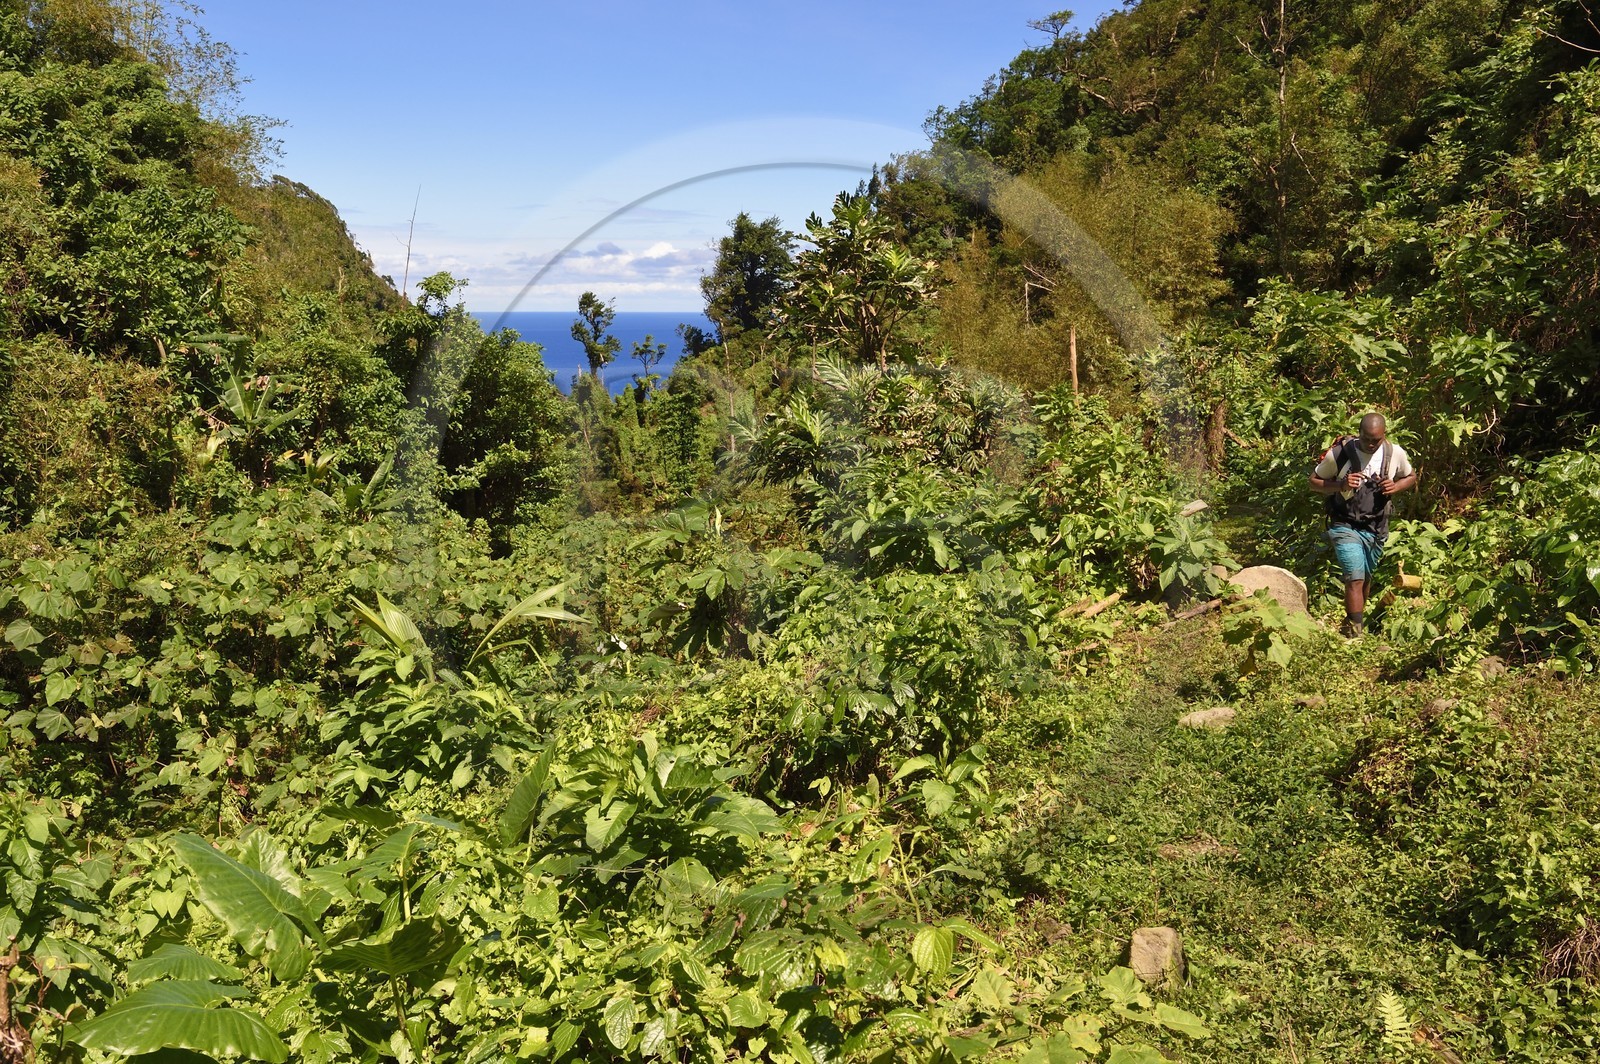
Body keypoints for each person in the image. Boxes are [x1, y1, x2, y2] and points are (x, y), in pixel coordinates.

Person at [1309, 413, 1418, 637]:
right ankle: (1355, 634)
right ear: (1359, 433)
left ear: (1384, 436)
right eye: (1366, 438)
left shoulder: (1394, 453)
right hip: (1344, 523)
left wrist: (1395, 487)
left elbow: (1411, 476)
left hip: (1376, 527)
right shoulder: (1339, 454)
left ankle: (1351, 624)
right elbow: (1313, 482)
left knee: (1365, 578)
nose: (1370, 444)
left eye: (1375, 440)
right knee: (1355, 577)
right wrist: (1341, 484)